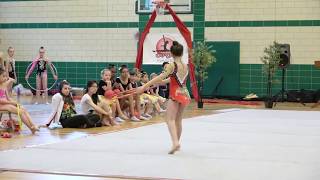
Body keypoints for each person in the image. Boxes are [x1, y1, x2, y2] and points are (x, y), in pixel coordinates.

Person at [137, 41, 191, 154]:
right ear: (181, 53)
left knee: (169, 119)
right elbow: (175, 79)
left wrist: (144, 87)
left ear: (171, 53)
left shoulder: (172, 65)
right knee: (178, 120)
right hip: (184, 93)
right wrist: (162, 82)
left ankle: (175, 142)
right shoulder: (186, 66)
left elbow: (161, 76)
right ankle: (176, 143)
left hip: (175, 93)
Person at [0, 68, 39, 134]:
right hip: (1, 105)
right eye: (3, 76)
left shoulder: (4, 85)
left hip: (5, 104)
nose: (5, 78)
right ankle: (31, 128)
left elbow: (8, 98)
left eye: (5, 76)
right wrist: (11, 102)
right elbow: (1, 100)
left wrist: (15, 102)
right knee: (20, 111)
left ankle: (33, 125)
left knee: (23, 108)